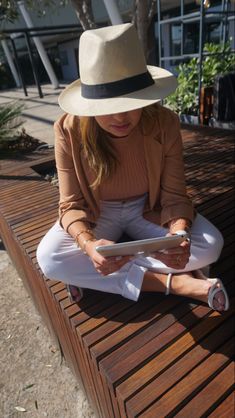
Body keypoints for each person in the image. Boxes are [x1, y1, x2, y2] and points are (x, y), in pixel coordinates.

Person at [36, 23, 229, 311]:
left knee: (211, 244)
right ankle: (176, 283)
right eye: (106, 106)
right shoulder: (68, 129)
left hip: (147, 208)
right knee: (49, 258)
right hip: (98, 213)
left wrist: (178, 236)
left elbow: (175, 196)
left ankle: (89, 276)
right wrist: (89, 246)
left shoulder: (164, 123)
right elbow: (72, 204)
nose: (120, 116)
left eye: (130, 102)